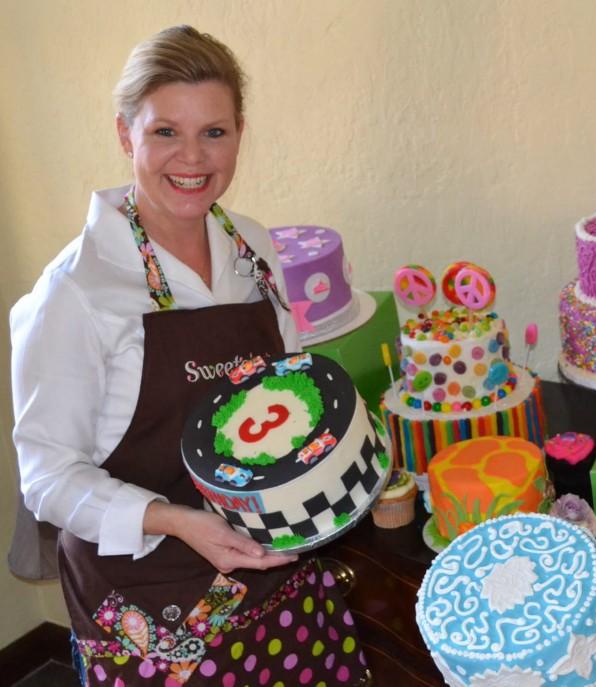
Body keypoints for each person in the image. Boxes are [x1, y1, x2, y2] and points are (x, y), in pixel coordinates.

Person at [10, 26, 368, 686]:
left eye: (215, 132)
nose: (194, 157)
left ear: (239, 132)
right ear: (125, 134)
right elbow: (47, 476)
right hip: (149, 597)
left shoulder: (253, 247)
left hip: (269, 571)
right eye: (165, 132)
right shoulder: (77, 293)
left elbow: (284, 392)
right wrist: (176, 520)